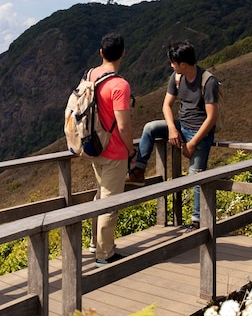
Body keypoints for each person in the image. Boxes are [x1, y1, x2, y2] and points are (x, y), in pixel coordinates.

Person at [126, 40, 219, 232]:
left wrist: (192, 143)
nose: (171, 65)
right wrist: (172, 128)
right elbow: (166, 105)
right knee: (150, 128)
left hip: (200, 132)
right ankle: (139, 170)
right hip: (182, 126)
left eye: (173, 62)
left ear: (182, 64)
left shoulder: (208, 82)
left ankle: (197, 222)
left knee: (196, 175)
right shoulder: (177, 77)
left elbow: (211, 118)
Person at [87, 32, 136, 267]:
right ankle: (104, 254)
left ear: (101, 53)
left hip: (94, 146)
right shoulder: (120, 85)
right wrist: (130, 150)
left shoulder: (91, 75)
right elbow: (124, 125)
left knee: (100, 197)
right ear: (123, 53)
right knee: (109, 203)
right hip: (114, 151)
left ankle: (94, 244)